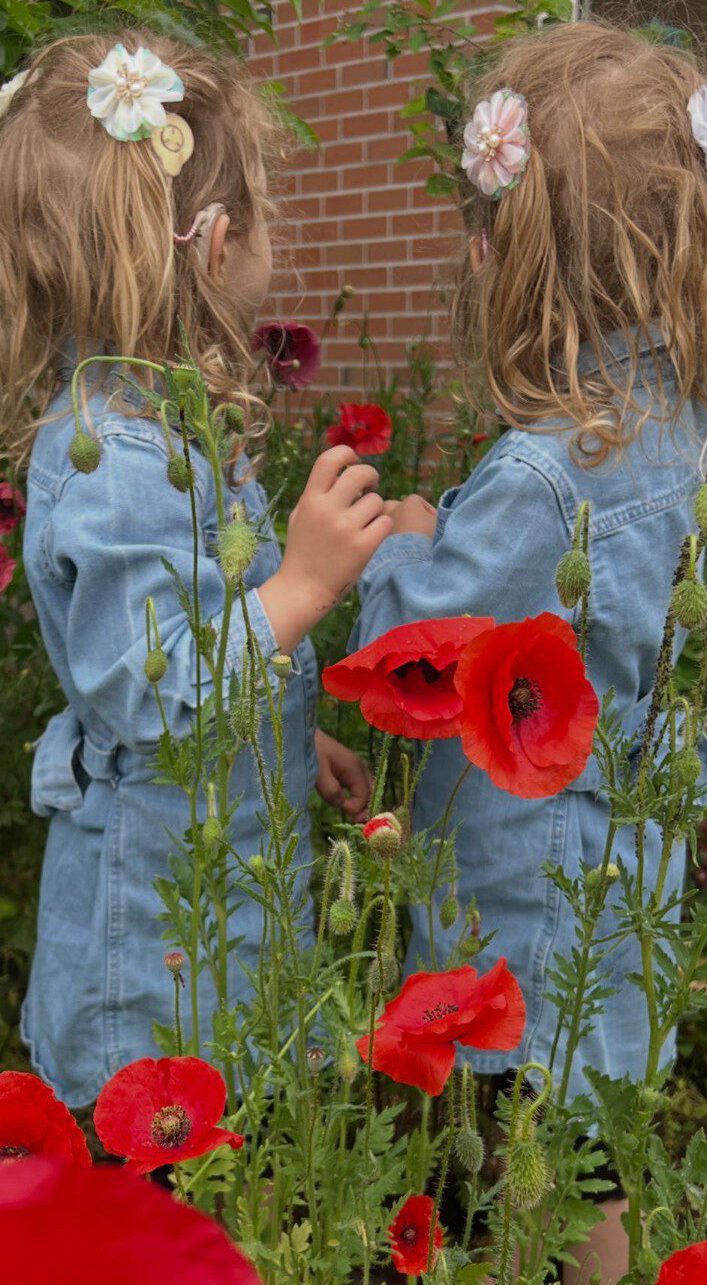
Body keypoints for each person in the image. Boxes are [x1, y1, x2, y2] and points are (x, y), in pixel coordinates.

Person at [349, 22, 707, 1283]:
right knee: (594, 1149)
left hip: (525, 903)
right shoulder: (683, 437)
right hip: (630, 883)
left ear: (516, 255)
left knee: (523, 1155)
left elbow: (414, 652)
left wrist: (399, 544)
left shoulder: (548, 470)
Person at [0, 32, 393, 1108]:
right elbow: (143, 686)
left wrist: (285, 723)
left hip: (208, 906)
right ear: (216, 244)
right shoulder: (115, 462)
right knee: (163, 1184)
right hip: (156, 952)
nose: (277, 234)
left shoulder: (166, 434)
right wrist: (304, 587)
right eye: (265, 210)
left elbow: (199, 633)